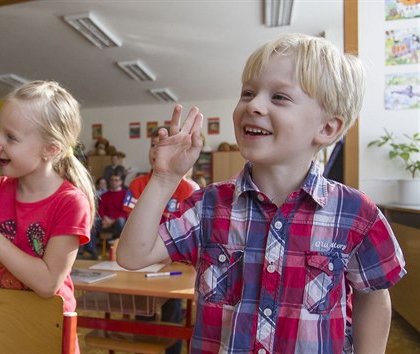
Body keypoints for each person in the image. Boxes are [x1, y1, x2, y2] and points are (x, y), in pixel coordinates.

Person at [117, 33, 407, 354]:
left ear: (326, 128)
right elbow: (132, 256)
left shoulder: (355, 214)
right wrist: (165, 177)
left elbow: (374, 293)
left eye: (279, 97)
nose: (253, 105)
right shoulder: (209, 206)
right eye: (248, 93)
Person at [0, 82, 93, 330]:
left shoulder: (71, 202)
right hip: (2, 320)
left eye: (11, 137)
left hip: (47, 328)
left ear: (50, 149)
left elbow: (48, 284)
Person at [122, 126, 195, 354]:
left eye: (163, 145)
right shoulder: (138, 185)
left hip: (174, 266)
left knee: (171, 313)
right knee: (143, 312)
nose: (156, 150)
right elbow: (131, 226)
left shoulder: (188, 189)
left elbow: (186, 237)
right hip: (142, 264)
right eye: (153, 145)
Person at [98, 171, 127, 239]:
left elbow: (126, 212)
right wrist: (105, 219)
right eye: (112, 180)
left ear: (121, 182)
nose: (114, 182)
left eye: (116, 180)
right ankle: (91, 248)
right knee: (92, 223)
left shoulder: (126, 194)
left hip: (119, 221)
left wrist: (112, 221)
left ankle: (117, 241)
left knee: (121, 221)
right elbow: (100, 211)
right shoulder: (104, 195)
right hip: (105, 220)